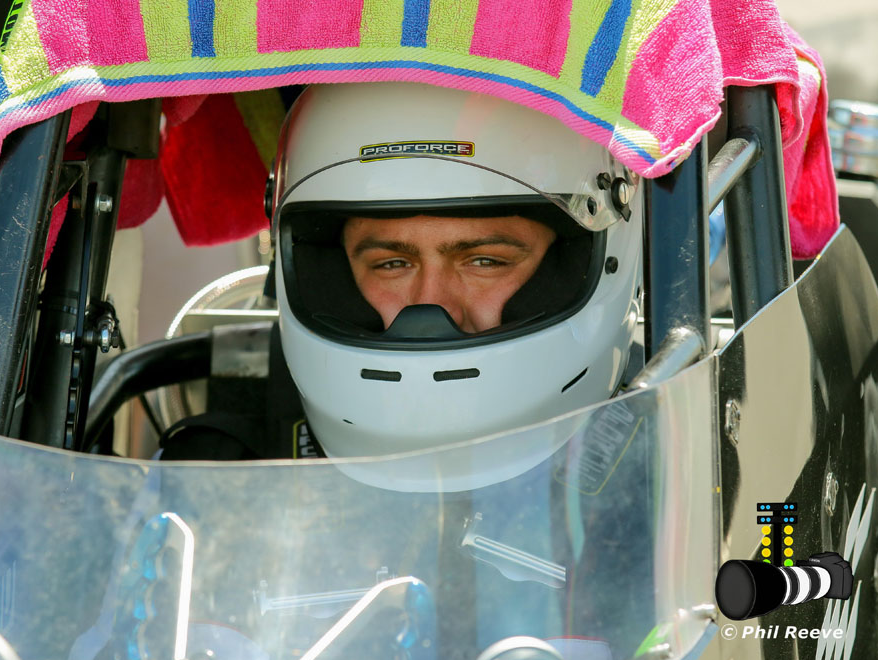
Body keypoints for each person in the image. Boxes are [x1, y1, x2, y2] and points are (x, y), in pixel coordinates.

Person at [160, 81, 645, 478]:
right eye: (392, 264)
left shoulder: (671, 442)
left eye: (484, 261)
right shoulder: (214, 468)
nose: (431, 305)